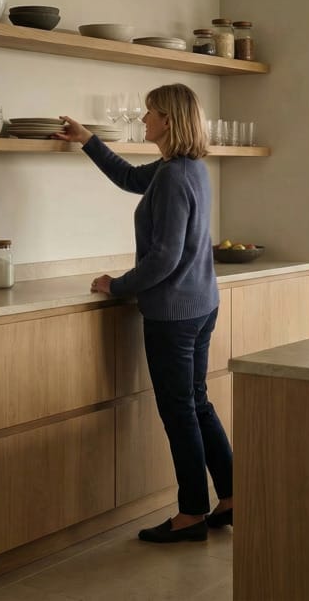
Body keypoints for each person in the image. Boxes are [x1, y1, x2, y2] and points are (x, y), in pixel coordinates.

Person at [57, 83, 233, 543]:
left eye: (151, 112)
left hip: (174, 316)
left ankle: (192, 513)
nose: (144, 118)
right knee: (197, 402)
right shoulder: (187, 167)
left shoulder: (176, 175)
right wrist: (87, 140)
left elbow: (164, 259)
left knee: (180, 412)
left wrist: (116, 285)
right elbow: (131, 180)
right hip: (201, 305)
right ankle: (233, 496)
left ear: (168, 121)